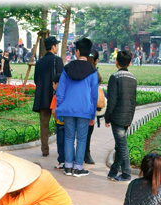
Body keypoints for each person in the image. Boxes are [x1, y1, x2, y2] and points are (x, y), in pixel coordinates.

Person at [55, 37, 98, 178]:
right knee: (81, 139)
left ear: (78, 51)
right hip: (85, 110)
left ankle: (68, 167)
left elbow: (60, 92)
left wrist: (59, 109)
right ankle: (78, 169)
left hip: (67, 109)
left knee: (68, 137)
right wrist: (92, 114)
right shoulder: (93, 71)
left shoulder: (67, 68)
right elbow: (94, 95)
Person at [105, 50, 137, 183]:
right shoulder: (133, 78)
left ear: (116, 62)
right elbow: (133, 102)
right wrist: (130, 119)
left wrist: (107, 117)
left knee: (122, 145)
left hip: (117, 117)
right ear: (130, 63)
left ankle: (126, 173)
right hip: (127, 117)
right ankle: (113, 171)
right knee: (119, 144)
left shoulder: (115, 77)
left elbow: (111, 100)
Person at [33, 36, 63, 157]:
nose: (57, 47)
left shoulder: (39, 62)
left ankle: (44, 150)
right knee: (59, 124)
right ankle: (60, 150)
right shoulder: (58, 60)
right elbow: (62, 79)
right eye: (57, 45)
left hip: (42, 98)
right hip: (55, 98)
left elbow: (36, 80)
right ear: (53, 46)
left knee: (43, 125)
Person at [83, 49, 104, 166]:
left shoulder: (83, 69)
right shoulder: (93, 72)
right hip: (90, 105)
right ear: (96, 60)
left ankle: (81, 153)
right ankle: (86, 153)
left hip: (81, 103)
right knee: (88, 131)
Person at [49, 74, 66, 170]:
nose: (53, 86)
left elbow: (53, 111)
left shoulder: (56, 97)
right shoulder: (68, 95)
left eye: (53, 84)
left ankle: (61, 162)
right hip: (69, 123)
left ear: (57, 84)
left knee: (60, 143)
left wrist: (56, 119)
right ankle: (70, 161)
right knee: (69, 142)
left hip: (60, 124)